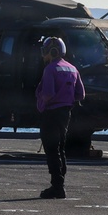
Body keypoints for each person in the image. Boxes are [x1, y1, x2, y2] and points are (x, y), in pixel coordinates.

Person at [35, 37, 85, 199]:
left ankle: (57, 187)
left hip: (51, 114)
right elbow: (80, 94)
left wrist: (41, 97)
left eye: (45, 51)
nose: (43, 55)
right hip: (65, 114)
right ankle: (60, 184)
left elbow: (48, 94)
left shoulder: (50, 69)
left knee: (51, 149)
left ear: (52, 51)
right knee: (60, 149)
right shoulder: (72, 68)